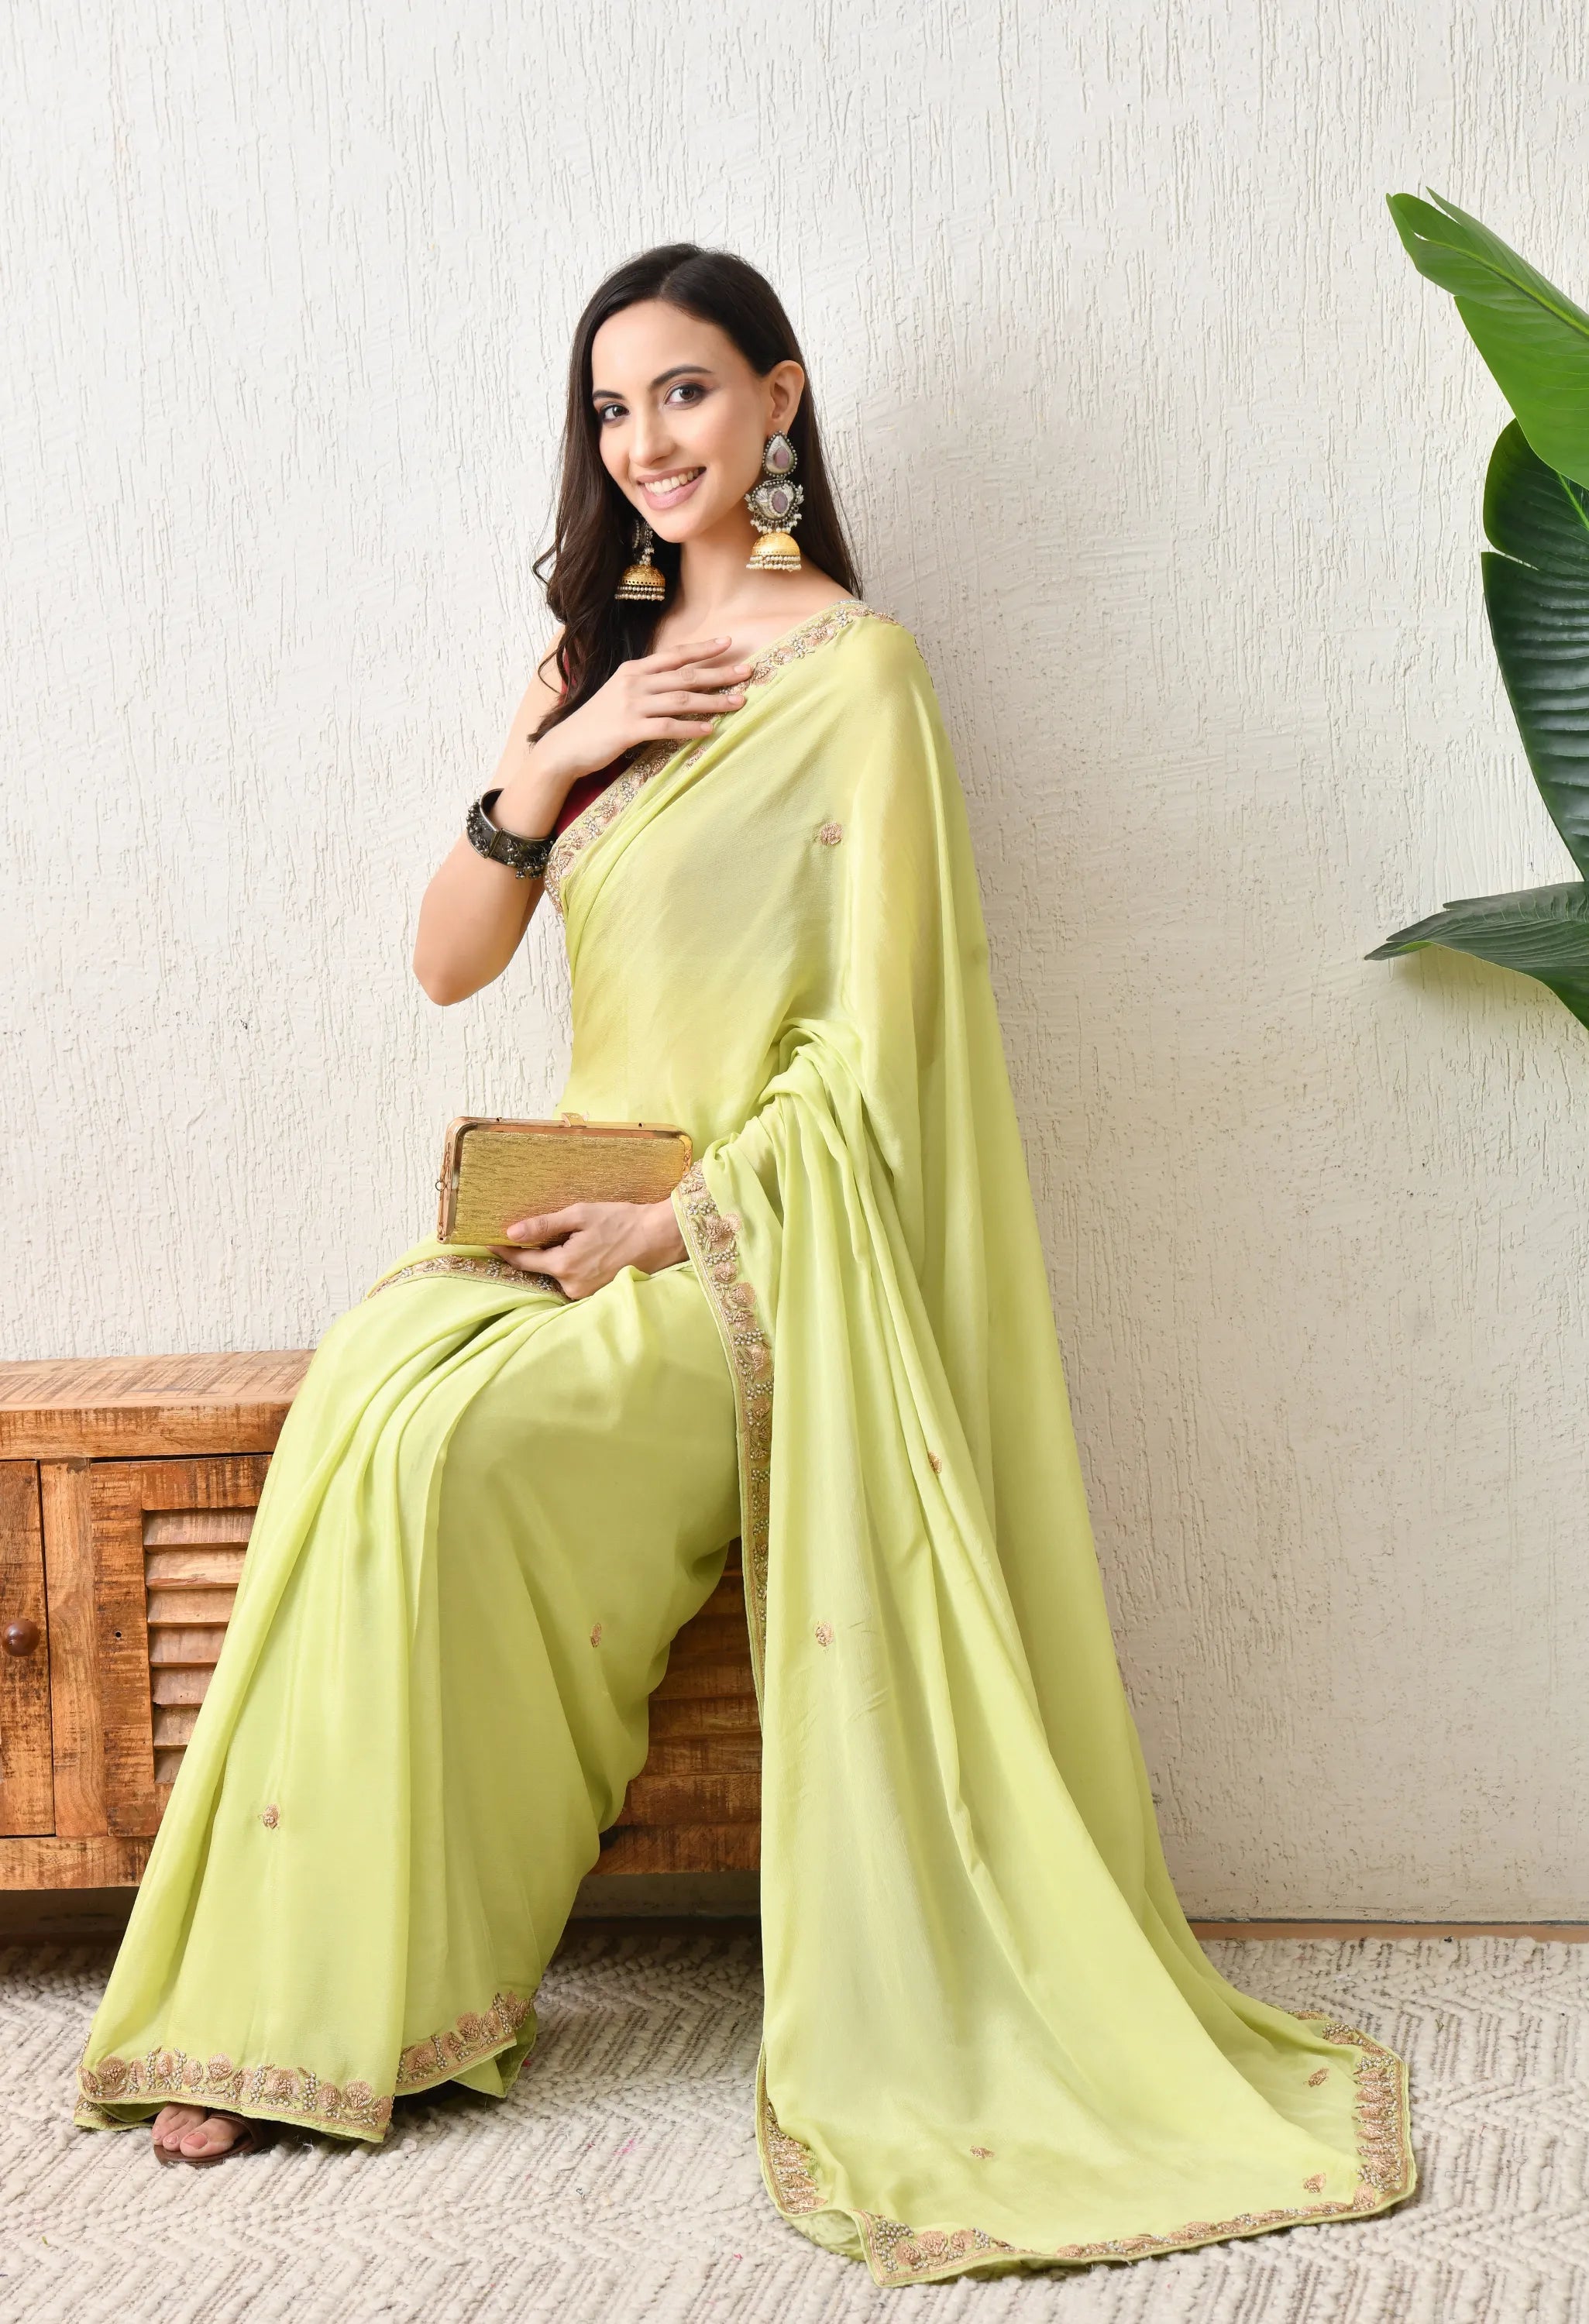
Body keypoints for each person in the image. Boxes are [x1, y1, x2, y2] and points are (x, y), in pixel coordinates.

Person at [74, 244, 1413, 2284]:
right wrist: (554, 760)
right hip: (562, 1220)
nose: (648, 443)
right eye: (613, 410)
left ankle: (393, 1992)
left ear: (778, 400)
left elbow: (883, 1058)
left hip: (753, 1256)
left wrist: (676, 1227)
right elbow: (446, 963)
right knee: (369, 1394)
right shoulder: (583, 669)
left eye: (686, 393)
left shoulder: (860, 678)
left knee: (469, 1448)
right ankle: (306, 2008)